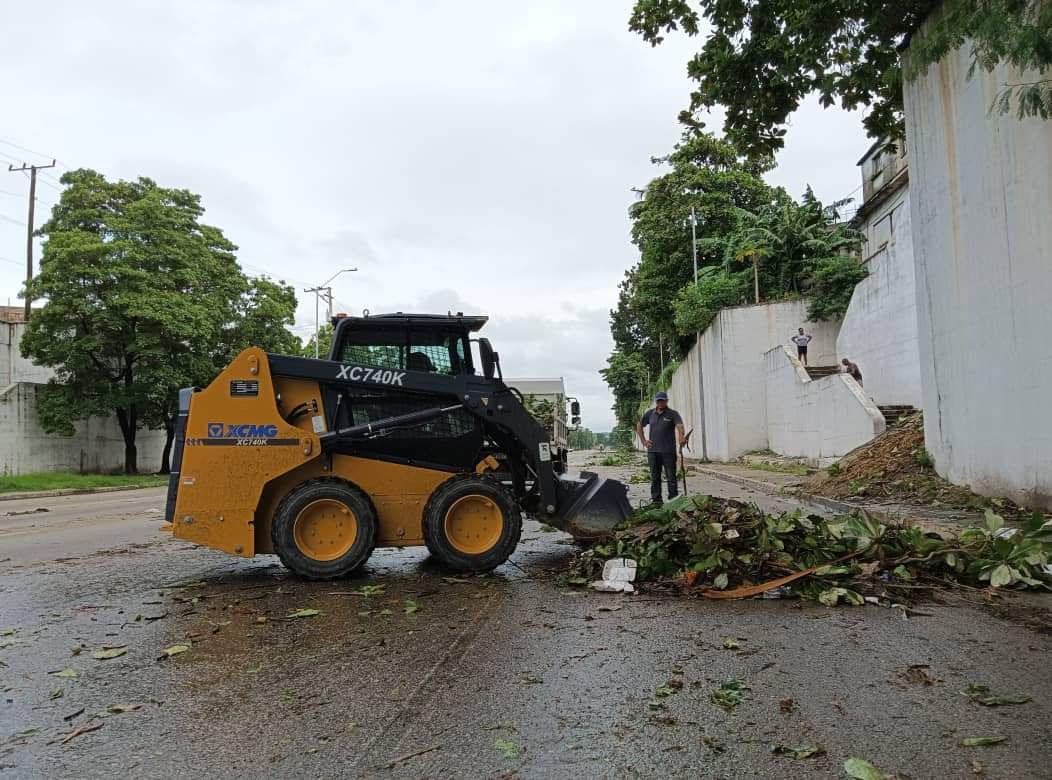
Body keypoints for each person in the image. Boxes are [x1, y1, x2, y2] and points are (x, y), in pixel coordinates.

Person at [635, 391, 685, 506]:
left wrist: (681, 436)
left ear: (666, 401)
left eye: (663, 400)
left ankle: (674, 500)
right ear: (656, 402)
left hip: (668, 452)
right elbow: (639, 425)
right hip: (653, 452)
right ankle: (656, 501)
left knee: (671, 477)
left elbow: (679, 425)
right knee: (655, 478)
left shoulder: (672, 414)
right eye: (658, 400)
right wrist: (643, 441)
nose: (660, 402)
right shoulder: (650, 414)